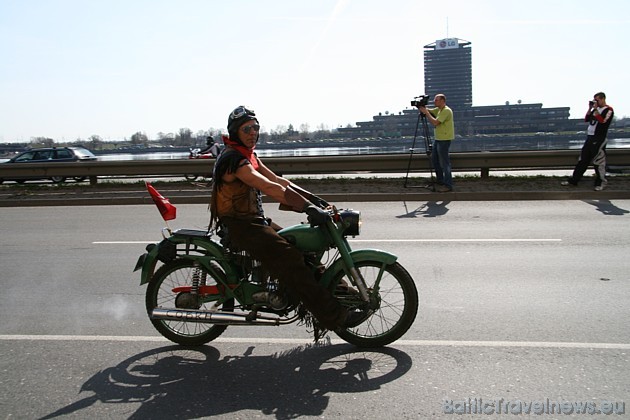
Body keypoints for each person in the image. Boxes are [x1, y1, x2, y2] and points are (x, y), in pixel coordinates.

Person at [209, 106, 363, 331]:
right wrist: (305, 208)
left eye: (256, 127)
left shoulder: (248, 155)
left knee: (304, 250)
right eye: (247, 128)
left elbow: (280, 182)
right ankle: (332, 316)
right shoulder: (234, 160)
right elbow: (267, 185)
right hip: (240, 226)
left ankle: (345, 298)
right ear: (235, 132)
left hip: (254, 221)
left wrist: (314, 201)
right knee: (290, 258)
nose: (253, 132)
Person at [562, 92, 614, 191]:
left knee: (598, 161)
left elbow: (603, 121)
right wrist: (590, 108)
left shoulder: (608, 110)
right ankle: (574, 180)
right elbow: (587, 119)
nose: (596, 102)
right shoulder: (596, 109)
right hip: (590, 137)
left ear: (603, 99)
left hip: (599, 138)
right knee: (583, 160)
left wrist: (595, 110)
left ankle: (601, 182)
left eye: (597, 100)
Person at [419, 93, 455, 192]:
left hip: (444, 139)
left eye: (437, 100)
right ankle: (440, 180)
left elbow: (435, 122)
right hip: (438, 139)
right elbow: (430, 111)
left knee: (445, 163)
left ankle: (448, 185)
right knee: (435, 160)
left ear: (443, 101)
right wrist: (422, 107)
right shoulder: (439, 110)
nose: (435, 102)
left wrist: (426, 112)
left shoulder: (446, 111)